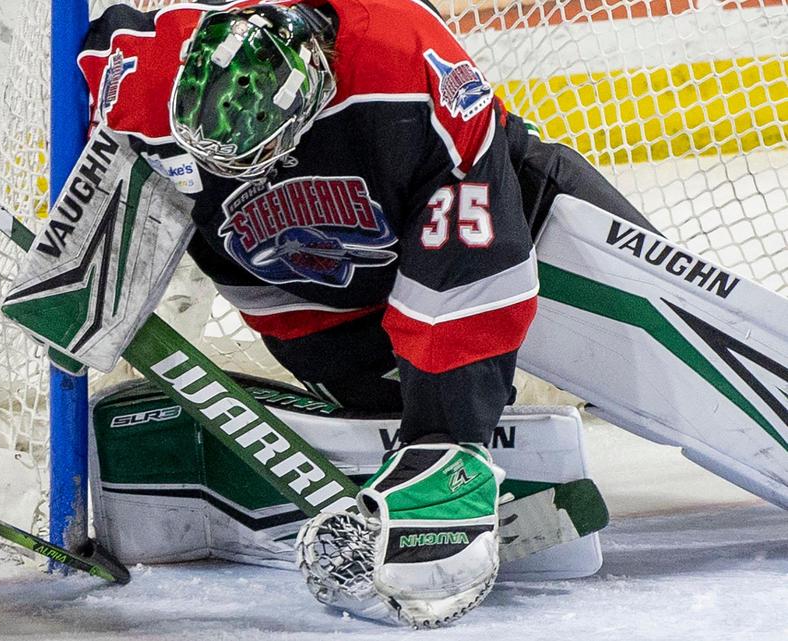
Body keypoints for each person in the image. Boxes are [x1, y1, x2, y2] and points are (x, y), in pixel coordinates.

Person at [77, 0, 661, 626]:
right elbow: (102, 46)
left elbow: (464, 262)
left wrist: (447, 435)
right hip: (304, 292)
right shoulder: (143, 73)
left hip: (468, 202)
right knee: (380, 416)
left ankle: (654, 328)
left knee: (481, 362)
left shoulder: (407, 62)